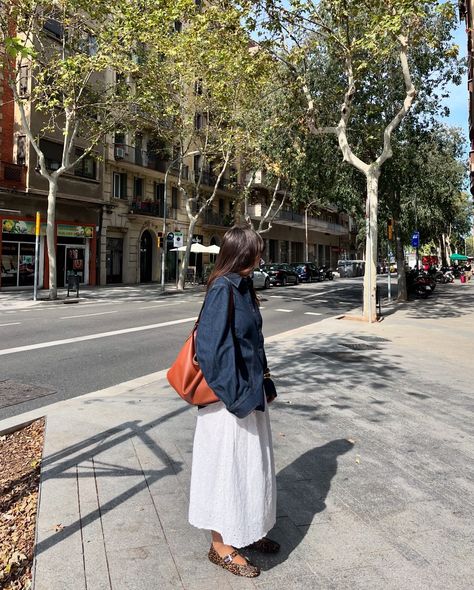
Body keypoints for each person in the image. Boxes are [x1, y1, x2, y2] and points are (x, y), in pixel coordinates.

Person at [189, 225, 278, 578]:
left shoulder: (244, 287)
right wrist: (237, 397)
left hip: (249, 394)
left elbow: (254, 341)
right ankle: (221, 545)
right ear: (241, 254)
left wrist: (265, 381)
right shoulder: (222, 289)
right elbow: (209, 352)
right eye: (256, 251)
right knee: (227, 470)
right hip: (229, 403)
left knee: (249, 467)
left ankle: (246, 529)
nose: (260, 257)